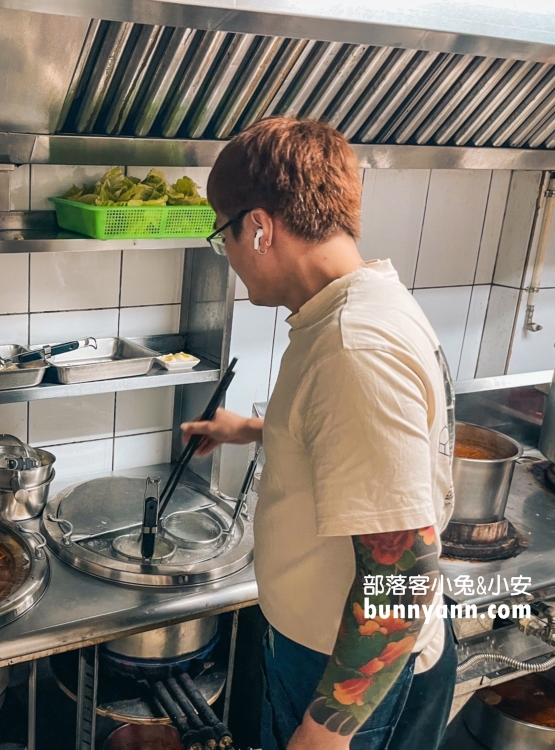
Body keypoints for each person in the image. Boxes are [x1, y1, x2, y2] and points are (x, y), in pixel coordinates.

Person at [182, 118, 457, 750]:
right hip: (335, 656)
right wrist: (250, 429)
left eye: (222, 232)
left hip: (353, 678)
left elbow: (407, 569)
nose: (226, 253)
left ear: (259, 227)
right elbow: (355, 442)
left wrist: (327, 729)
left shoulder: (351, 347)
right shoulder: (355, 307)